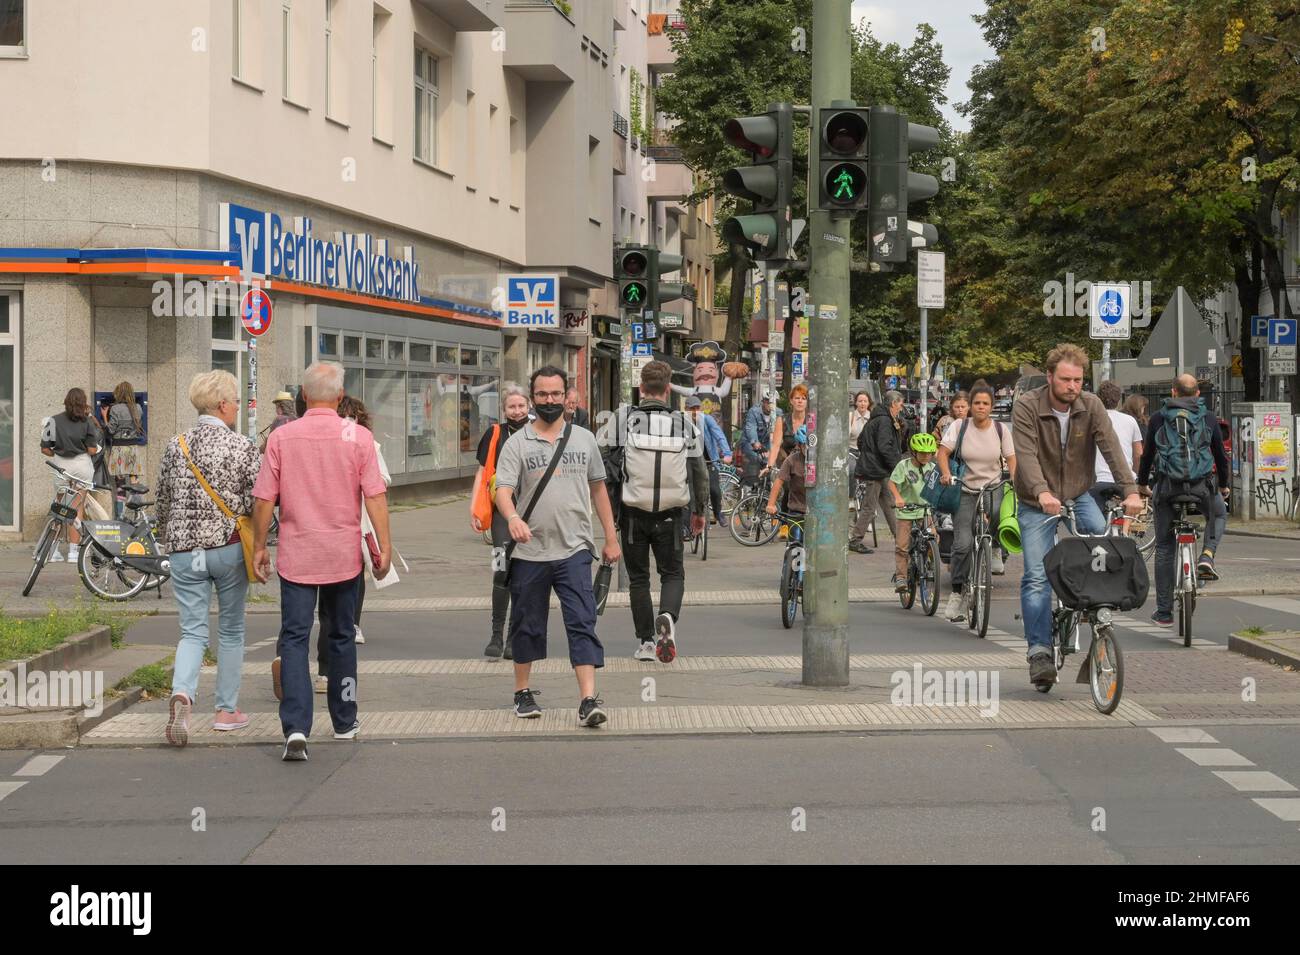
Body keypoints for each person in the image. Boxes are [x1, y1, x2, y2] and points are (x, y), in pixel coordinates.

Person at [255, 363, 392, 762]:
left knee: (294, 638)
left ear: (303, 395)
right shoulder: (359, 437)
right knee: (341, 635)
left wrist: (259, 547)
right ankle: (345, 721)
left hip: (297, 555)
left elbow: (264, 498)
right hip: (343, 555)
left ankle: (296, 727)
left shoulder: (283, 437)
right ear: (339, 395)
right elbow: (375, 497)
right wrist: (383, 546)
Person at [495, 366, 621, 726]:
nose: (549, 401)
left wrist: (610, 538)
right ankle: (522, 691)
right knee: (527, 624)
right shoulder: (517, 443)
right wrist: (513, 518)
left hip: (575, 549)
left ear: (567, 396)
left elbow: (599, 489)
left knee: (582, 621)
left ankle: (587, 700)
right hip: (530, 551)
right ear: (533, 398)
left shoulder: (584, 439)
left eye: (555, 394)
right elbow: (502, 488)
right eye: (542, 395)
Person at [1013, 344, 1142, 686]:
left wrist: (1130, 490)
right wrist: (1041, 492)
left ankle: (1092, 618)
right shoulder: (1027, 406)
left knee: (1102, 546)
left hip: (1078, 491)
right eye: (1066, 379)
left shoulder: (1091, 405)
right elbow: (1025, 456)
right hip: (1034, 499)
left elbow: (1112, 448)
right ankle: (1039, 651)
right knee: (1037, 576)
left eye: (1078, 380)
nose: (1072, 387)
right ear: (1050, 376)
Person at [156, 371, 263, 746]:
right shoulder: (241, 446)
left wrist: (163, 537)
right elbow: (257, 500)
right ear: (222, 405)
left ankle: (182, 694)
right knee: (231, 631)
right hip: (228, 548)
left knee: (192, 632)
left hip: (185, 552)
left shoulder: (175, 445)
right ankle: (226, 711)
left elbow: (164, 501)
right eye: (235, 401)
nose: (237, 407)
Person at [611, 362, 707, 663]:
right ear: (668, 390)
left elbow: (603, 465)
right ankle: (666, 615)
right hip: (670, 514)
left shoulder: (624, 420)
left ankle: (647, 644)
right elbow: (699, 471)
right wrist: (700, 510)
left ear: (641, 389)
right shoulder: (682, 424)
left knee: (639, 579)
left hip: (633, 514)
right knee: (673, 573)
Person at [309, 395, 393, 694]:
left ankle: (327, 671)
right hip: (335, 532)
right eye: (345, 418)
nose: (348, 424)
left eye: (353, 419)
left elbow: (380, 483)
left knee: (337, 603)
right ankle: (331, 678)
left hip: (349, 530)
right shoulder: (319, 444)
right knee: (330, 609)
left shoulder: (367, 444)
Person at [1137, 375, 1231, 622]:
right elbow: (1220, 456)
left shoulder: (1159, 417)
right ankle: (1207, 556)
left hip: (1167, 489)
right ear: (1198, 393)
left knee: (1165, 546)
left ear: (1173, 392)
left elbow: (1147, 455)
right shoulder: (1208, 417)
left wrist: (1142, 484)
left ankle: (1165, 611)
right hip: (1202, 488)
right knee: (1219, 514)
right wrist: (1223, 486)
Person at [938, 383, 1017, 619]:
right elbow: (943, 453)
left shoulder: (1001, 430)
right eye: (977, 403)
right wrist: (945, 473)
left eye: (985, 403)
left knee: (997, 512)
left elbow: (1011, 459)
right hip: (964, 489)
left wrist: (1015, 480)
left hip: (992, 486)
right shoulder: (959, 426)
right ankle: (957, 592)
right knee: (962, 544)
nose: (981, 407)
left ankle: (993, 547)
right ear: (971, 406)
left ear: (992, 406)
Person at [471, 381, 531, 660]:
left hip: (532, 515)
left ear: (528, 406)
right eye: (512, 406)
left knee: (524, 577)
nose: (517, 411)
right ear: (504, 409)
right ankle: (496, 634)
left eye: (521, 405)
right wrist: (475, 508)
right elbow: (482, 473)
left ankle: (513, 638)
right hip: (500, 515)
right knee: (501, 571)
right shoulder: (495, 433)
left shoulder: (536, 432)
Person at [39, 388, 101, 563]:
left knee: (60, 505)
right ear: (83, 402)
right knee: (77, 507)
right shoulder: (87, 422)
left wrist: (57, 454)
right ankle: (74, 552)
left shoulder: (53, 420)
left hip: (61, 465)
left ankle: (53, 549)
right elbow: (92, 449)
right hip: (82, 465)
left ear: (66, 401)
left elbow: (45, 449)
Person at [849, 390, 905, 555]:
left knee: (888, 504)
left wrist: (868, 453)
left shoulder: (876, 419)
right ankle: (855, 539)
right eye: (900, 405)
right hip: (877, 470)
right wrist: (896, 466)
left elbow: (860, 441)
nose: (901, 408)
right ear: (893, 404)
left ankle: (900, 538)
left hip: (878, 469)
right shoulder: (885, 421)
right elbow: (884, 447)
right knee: (869, 506)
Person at [889, 433, 939, 591]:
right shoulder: (904, 466)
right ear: (913, 452)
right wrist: (898, 498)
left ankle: (927, 564)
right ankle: (901, 578)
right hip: (906, 511)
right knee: (902, 546)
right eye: (922, 453)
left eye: (929, 453)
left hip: (925, 511)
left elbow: (938, 487)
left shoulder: (932, 468)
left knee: (934, 539)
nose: (926, 456)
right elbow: (892, 483)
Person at [1089, 380, 1144, 512]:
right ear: (1119, 400)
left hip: (1097, 480)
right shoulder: (1130, 421)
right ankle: (1125, 531)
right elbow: (1138, 454)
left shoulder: (1091, 419)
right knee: (1131, 508)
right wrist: (1134, 474)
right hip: (1124, 481)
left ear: (1098, 398)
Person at [685, 394, 732, 525]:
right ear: (686, 409)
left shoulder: (707, 419)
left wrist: (727, 453)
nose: (695, 412)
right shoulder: (682, 422)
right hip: (690, 462)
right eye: (691, 409)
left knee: (714, 490)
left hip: (708, 460)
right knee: (689, 493)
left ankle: (718, 513)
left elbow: (719, 435)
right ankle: (685, 524)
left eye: (697, 408)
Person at [106, 381, 144, 500]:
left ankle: (120, 516)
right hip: (133, 449)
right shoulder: (138, 407)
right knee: (135, 484)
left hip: (119, 450)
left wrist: (103, 416)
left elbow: (110, 430)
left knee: (120, 487)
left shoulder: (115, 408)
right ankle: (138, 512)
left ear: (119, 393)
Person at [766, 424, 808, 519]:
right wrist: (771, 504)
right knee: (793, 532)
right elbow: (779, 480)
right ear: (799, 445)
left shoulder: (821, 462)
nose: (808, 449)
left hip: (817, 510)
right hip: (796, 510)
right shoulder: (791, 460)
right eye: (804, 445)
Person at [767, 384, 809, 472]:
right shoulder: (782, 420)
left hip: (807, 466)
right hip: (786, 467)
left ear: (807, 402)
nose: (800, 401)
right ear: (791, 401)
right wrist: (769, 466)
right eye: (797, 398)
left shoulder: (811, 420)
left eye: (803, 398)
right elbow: (775, 445)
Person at [742, 391, 773, 484]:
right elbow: (751, 428)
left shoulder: (778, 413)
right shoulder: (754, 411)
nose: (770, 405)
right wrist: (755, 443)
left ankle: (766, 486)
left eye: (772, 402)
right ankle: (750, 484)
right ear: (763, 402)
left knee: (771, 461)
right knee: (756, 457)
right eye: (768, 402)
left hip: (766, 443)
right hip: (749, 442)